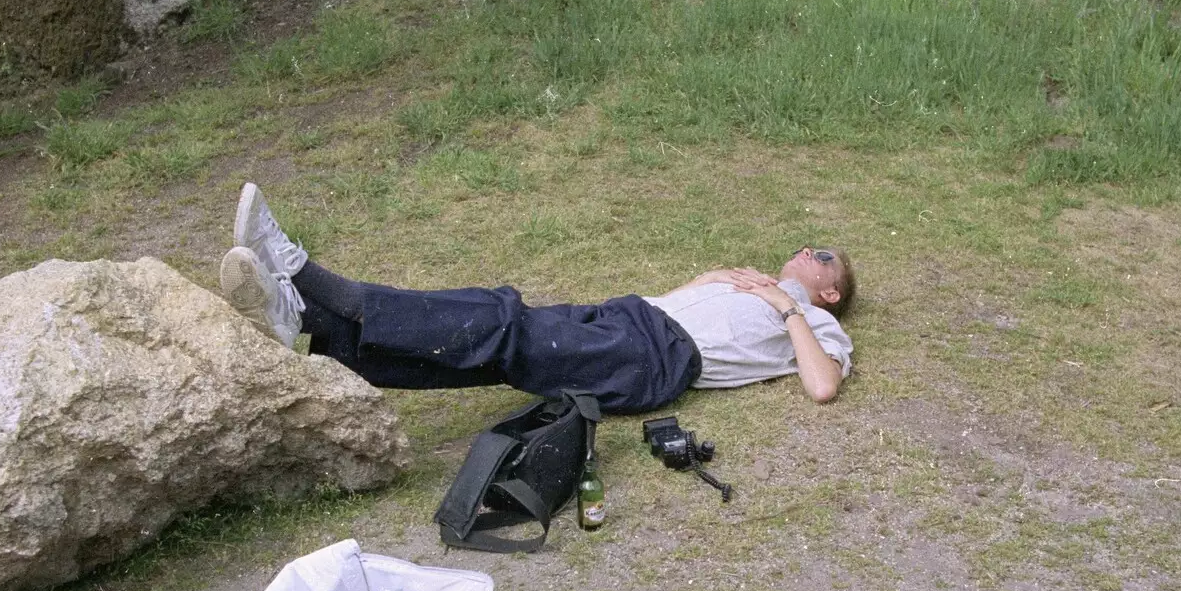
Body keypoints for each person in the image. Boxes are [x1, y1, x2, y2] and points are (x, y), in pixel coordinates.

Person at [219, 183, 855, 415]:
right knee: (497, 351)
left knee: (502, 322)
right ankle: (306, 326)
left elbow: (822, 386)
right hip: (634, 318)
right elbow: (673, 297)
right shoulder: (749, 281)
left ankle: (306, 278)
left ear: (830, 290)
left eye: (820, 255)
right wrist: (719, 277)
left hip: (658, 356)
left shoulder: (819, 325)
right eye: (806, 244)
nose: (806, 250)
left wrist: (787, 307)